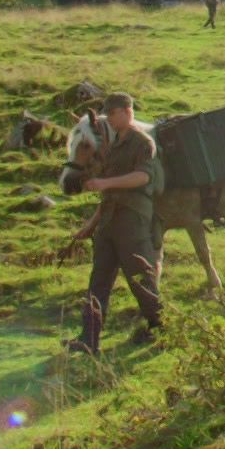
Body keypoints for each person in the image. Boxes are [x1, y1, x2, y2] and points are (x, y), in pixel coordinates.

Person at [66, 92, 163, 352]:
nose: (109, 119)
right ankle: (89, 337)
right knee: (98, 279)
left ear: (126, 112)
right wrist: (91, 224)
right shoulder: (113, 144)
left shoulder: (143, 143)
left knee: (140, 278)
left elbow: (142, 177)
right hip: (109, 220)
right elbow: (109, 194)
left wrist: (105, 182)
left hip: (132, 219)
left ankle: (160, 327)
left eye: (112, 114)